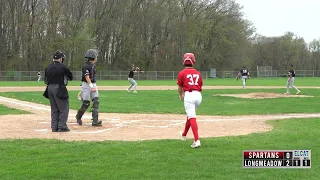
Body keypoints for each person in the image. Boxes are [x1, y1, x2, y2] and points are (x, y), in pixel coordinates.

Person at [177, 53, 203, 148]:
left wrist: (181, 95)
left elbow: (180, 88)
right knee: (190, 115)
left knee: (192, 117)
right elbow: (200, 85)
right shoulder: (197, 73)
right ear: (193, 61)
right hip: (198, 95)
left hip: (189, 95)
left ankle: (197, 140)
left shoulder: (182, 73)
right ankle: (184, 135)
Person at [44, 50, 73, 132]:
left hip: (49, 88)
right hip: (59, 88)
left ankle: (54, 127)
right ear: (60, 59)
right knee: (64, 108)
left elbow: (45, 80)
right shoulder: (63, 67)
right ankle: (62, 126)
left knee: (54, 109)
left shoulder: (48, 67)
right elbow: (70, 77)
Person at [75, 49, 102, 126]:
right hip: (86, 85)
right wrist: (91, 86)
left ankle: (95, 121)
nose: (96, 58)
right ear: (93, 57)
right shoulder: (85, 66)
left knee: (96, 101)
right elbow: (87, 77)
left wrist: (93, 86)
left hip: (93, 84)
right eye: (96, 56)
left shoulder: (94, 65)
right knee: (86, 104)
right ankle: (78, 117)